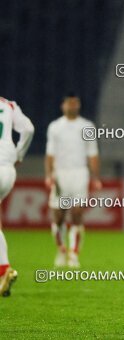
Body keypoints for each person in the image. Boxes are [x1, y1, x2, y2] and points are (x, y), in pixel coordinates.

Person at [45, 93, 101, 268]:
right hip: (60, 174)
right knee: (59, 217)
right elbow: (50, 154)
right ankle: (61, 250)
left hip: (79, 174)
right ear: (63, 106)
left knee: (77, 214)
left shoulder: (87, 126)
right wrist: (49, 174)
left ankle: (74, 254)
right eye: (70, 103)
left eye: (76, 103)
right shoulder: (55, 127)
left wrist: (95, 177)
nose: (73, 106)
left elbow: (92, 153)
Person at [0, 97, 34, 297]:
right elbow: (28, 129)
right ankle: (3, 273)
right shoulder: (9, 104)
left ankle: (4, 269)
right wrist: (19, 155)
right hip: (8, 169)